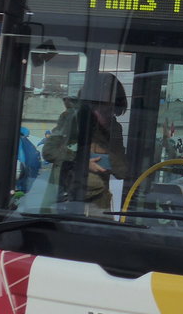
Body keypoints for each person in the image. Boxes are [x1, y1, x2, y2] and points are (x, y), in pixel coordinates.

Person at [42, 73, 128, 212]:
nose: (109, 116)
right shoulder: (73, 118)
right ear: (93, 105)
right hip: (67, 200)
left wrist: (111, 162)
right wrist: (83, 162)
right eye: (105, 110)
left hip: (99, 202)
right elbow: (49, 151)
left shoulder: (115, 128)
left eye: (113, 110)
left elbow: (122, 170)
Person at [16, 126, 42, 194]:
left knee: (23, 179)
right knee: (25, 179)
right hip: (28, 164)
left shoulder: (21, 140)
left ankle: (21, 190)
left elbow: (21, 152)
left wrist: (22, 162)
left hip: (25, 163)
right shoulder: (24, 140)